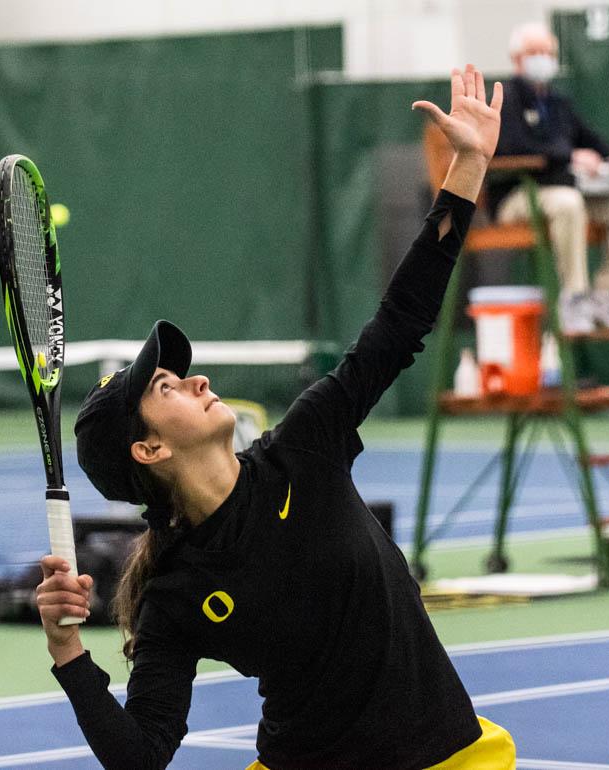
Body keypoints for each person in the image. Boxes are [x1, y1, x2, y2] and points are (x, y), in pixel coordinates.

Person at [35, 65, 517, 769]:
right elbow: (140, 756)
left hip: (446, 757)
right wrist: (67, 652)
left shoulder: (308, 446)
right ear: (148, 451)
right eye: (167, 386)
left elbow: (401, 321)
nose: (198, 379)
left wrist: (467, 169)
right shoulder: (176, 594)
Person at [489, 21, 609, 335]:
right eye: (536, 52)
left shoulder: (558, 103)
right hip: (517, 198)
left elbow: (588, 139)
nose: (543, 59)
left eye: (549, 53)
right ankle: (574, 298)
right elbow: (511, 147)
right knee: (568, 203)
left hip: (564, 194)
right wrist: (569, 156)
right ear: (518, 58)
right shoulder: (503, 98)